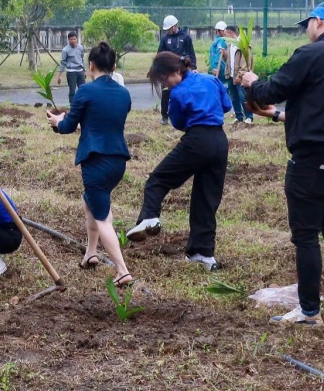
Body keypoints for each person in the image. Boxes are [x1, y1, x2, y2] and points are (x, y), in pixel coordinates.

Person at [239, 1, 324, 327]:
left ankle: (309, 312)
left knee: (307, 236)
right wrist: (280, 116)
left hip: (312, 160)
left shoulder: (311, 54)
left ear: (319, 22)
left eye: (307, 23)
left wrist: (252, 82)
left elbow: (275, 88)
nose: (306, 29)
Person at [124, 51, 231, 270]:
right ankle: (203, 254)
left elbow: (178, 122)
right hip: (220, 141)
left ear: (174, 71)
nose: (165, 84)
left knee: (158, 179)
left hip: (197, 140)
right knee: (206, 200)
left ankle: (150, 218)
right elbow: (227, 105)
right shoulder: (211, 80)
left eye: (164, 79)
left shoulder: (179, 93)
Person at [48, 41, 133, 286]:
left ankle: (122, 270)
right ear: (114, 66)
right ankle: (91, 253)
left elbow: (67, 127)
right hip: (118, 162)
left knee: (102, 216)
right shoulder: (124, 94)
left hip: (95, 161)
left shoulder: (85, 91)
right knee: (91, 202)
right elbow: (101, 121)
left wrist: (57, 121)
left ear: (91, 65)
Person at [157, 15, 196, 124]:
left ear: (175, 26)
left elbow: (191, 54)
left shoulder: (186, 37)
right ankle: (164, 116)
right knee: (166, 93)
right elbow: (160, 55)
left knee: (184, 91)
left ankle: (184, 114)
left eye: (170, 28)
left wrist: (193, 67)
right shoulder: (165, 39)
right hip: (168, 70)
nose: (168, 31)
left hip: (182, 69)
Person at [222, 26, 253, 125]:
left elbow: (245, 62)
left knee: (243, 97)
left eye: (226, 34)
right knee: (234, 97)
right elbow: (229, 61)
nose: (225, 36)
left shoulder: (242, 45)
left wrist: (239, 76)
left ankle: (249, 117)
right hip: (231, 75)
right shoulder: (230, 45)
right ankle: (239, 117)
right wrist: (224, 55)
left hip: (240, 76)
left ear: (230, 33)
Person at [57, 31, 86, 98]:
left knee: (82, 90)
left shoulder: (80, 48)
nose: (73, 41)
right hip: (71, 72)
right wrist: (59, 75)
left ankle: (82, 105)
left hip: (80, 71)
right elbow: (63, 62)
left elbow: (82, 59)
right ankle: (72, 106)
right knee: (72, 91)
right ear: (68, 40)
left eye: (74, 39)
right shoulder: (65, 50)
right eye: (71, 39)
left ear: (77, 39)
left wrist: (84, 71)